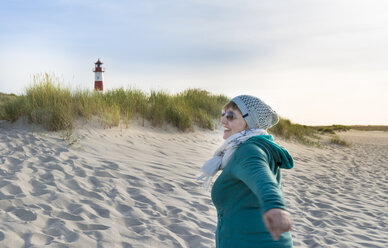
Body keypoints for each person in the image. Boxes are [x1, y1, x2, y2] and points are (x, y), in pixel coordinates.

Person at [198, 95, 294, 248]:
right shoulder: (254, 147)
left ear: (250, 123)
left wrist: (275, 207)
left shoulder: (248, 151)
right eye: (223, 114)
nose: (223, 121)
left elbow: (263, 180)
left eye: (230, 116)